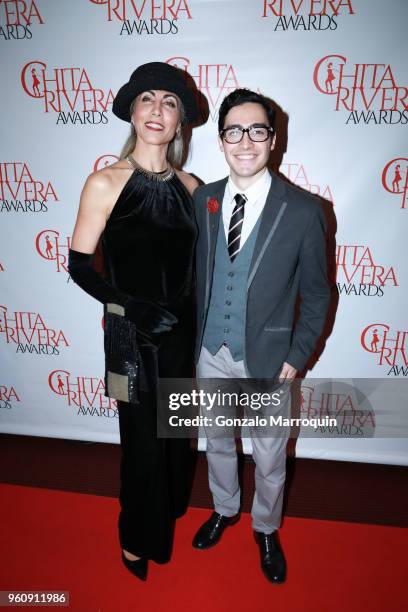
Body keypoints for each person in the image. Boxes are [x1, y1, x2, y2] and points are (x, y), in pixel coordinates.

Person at [68, 62, 200, 581]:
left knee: (174, 439)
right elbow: (80, 265)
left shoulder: (194, 187)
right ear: (132, 111)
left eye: (170, 103)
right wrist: (130, 307)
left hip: (181, 335)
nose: (158, 110)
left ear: (179, 123)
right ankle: (134, 538)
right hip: (127, 333)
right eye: (148, 99)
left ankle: (163, 514)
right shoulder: (105, 181)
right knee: (139, 441)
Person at [192, 89, 330, 584]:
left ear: (273, 139)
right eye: (234, 130)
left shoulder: (304, 211)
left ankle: (266, 528)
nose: (245, 141)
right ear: (222, 139)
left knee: (270, 456)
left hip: (270, 358)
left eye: (257, 130)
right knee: (216, 442)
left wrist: (297, 355)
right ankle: (225, 509)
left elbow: (317, 295)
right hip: (210, 352)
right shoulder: (201, 199)